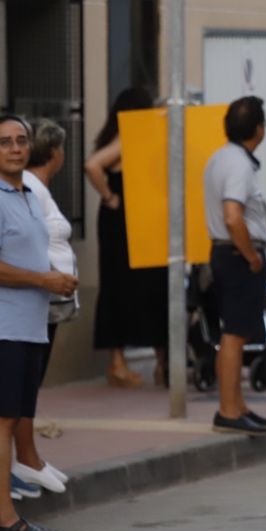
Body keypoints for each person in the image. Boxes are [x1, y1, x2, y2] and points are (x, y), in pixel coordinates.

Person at [0, 115, 77, 531]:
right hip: (0, 328)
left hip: (28, 325)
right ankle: (5, 520)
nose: (14, 148)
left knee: (9, 420)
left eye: (21, 140)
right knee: (1, 419)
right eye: (4, 142)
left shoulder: (28, 193)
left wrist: (52, 277)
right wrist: (44, 279)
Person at [85, 87, 169, 387]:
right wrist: (110, 197)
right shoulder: (126, 137)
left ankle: (159, 360)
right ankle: (121, 363)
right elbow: (92, 164)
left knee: (150, 285)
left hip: (139, 220)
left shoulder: (143, 136)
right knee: (124, 286)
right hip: (121, 221)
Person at [204, 96, 266, 436]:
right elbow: (233, 216)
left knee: (236, 332)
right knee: (234, 335)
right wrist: (251, 256)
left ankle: (237, 405)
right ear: (259, 130)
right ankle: (229, 410)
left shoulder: (223, 157)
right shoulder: (238, 164)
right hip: (236, 257)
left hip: (228, 254)